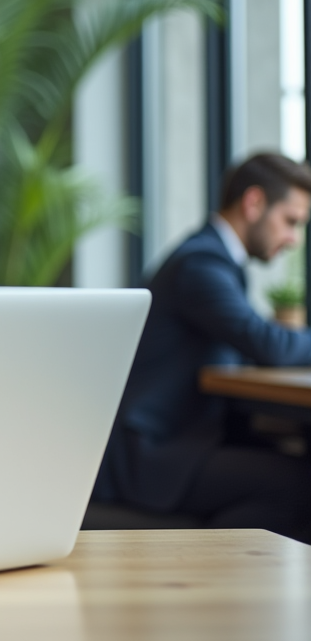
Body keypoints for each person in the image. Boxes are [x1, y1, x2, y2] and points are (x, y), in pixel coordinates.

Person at [95, 152, 311, 541]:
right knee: (294, 485)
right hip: (152, 453)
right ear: (254, 203)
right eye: (291, 221)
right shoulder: (201, 265)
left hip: (182, 438)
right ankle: (196, 568)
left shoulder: (213, 260)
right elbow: (268, 345)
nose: (293, 239)